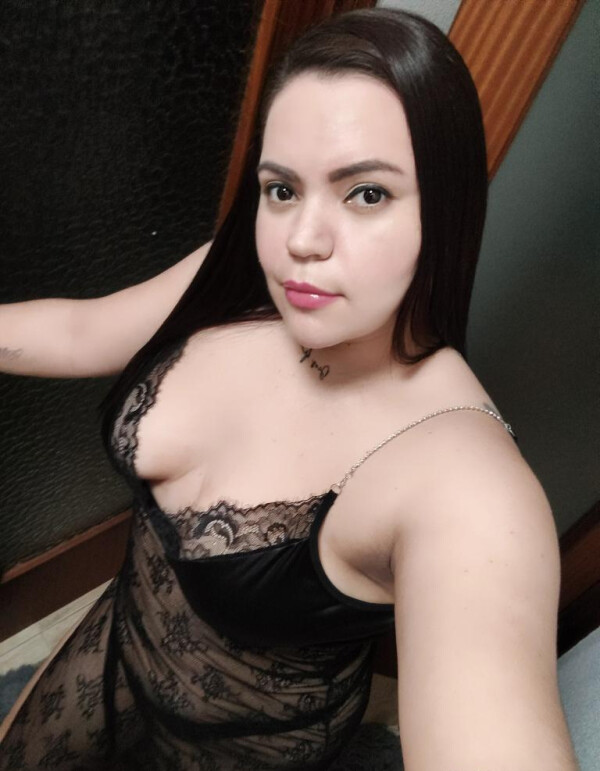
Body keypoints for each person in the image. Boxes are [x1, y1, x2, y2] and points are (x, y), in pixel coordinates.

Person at [0, 8, 577, 770]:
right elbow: (82, 332)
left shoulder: (466, 488)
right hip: (114, 646)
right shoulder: (248, 281)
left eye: (365, 194)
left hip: (244, 747)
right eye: (281, 189)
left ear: (447, 208)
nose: (301, 239)